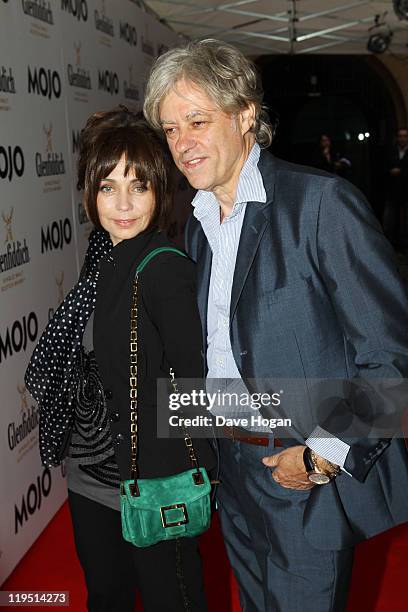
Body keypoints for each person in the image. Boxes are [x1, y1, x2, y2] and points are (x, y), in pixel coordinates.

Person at [144, 40, 408, 612]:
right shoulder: (196, 225)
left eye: (196, 121)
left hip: (302, 474)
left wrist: (320, 455)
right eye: (170, 130)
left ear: (244, 116)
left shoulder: (321, 205)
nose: (182, 144)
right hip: (232, 470)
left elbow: (389, 358)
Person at [25, 108, 214, 612]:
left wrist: (178, 479)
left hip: (151, 481)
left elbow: (195, 387)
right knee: (105, 598)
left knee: (170, 600)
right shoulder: (99, 258)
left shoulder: (163, 270)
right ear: (89, 193)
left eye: (139, 186)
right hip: (90, 477)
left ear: (161, 192)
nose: (123, 204)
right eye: (108, 187)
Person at [383, 127, 408, 250]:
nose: (402, 139)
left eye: (405, 136)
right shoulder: (391, 151)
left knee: (405, 222)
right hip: (392, 192)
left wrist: (401, 171)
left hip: (405, 191)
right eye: (400, 136)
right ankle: (391, 246)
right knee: (389, 221)